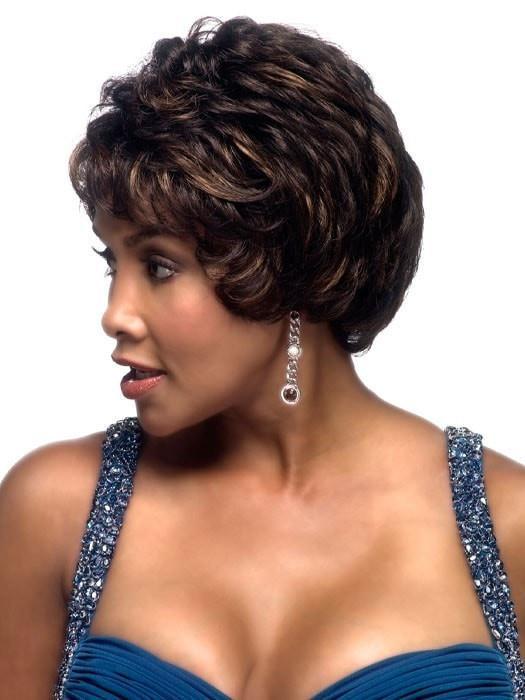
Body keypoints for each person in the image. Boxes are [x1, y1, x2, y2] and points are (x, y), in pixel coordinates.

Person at [1, 14, 524, 700]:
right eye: (113, 263)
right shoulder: (54, 508)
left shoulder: (505, 523)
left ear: (287, 266)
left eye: (158, 266)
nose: (115, 313)